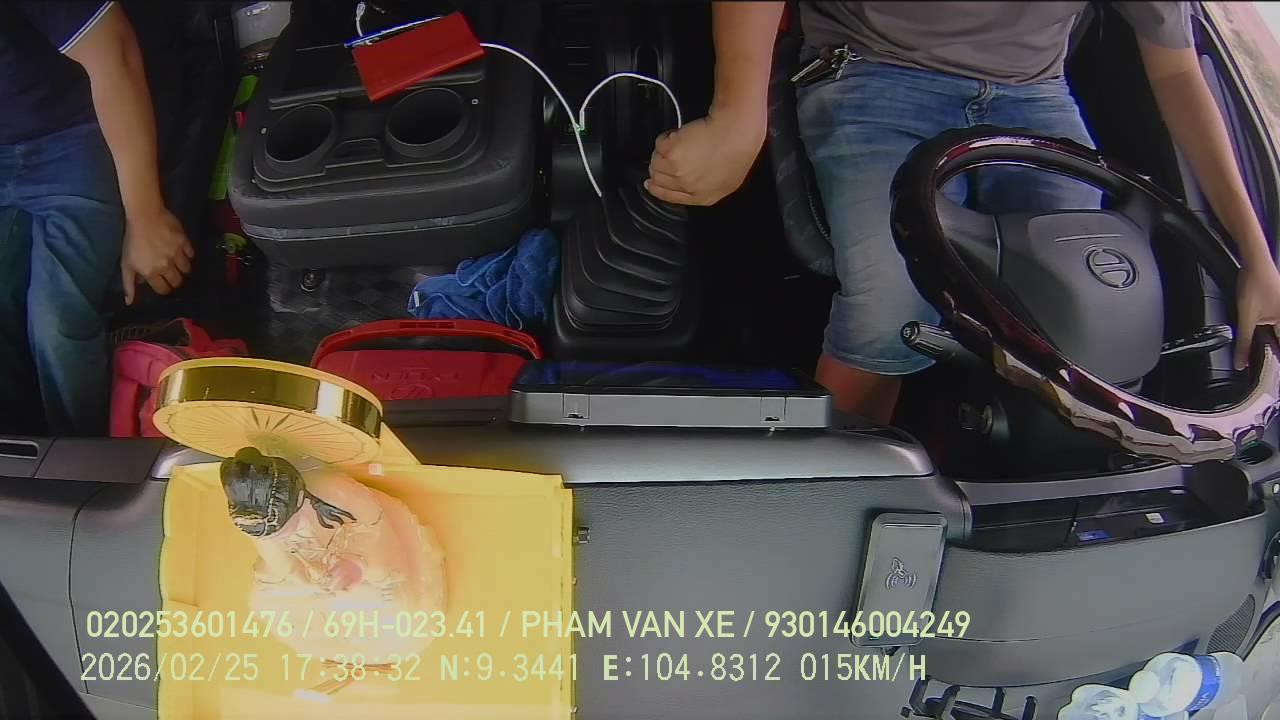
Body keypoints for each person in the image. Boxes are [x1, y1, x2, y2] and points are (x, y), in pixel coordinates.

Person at [646, 2, 1280, 424]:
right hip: (872, 67)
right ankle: (831, 484)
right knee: (892, 311)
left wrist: (1256, 254)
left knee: (1092, 309)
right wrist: (738, 116)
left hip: (1035, 91)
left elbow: (1175, 70)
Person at [0, 1, 193, 436]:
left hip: (73, 132)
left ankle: (83, 454)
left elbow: (113, 51)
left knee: (56, 321)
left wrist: (145, 216)